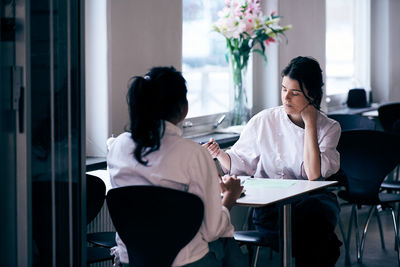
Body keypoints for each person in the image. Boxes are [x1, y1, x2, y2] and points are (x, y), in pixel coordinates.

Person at [204, 56, 342, 267]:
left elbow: (314, 175)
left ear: (312, 95)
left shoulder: (329, 128)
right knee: (320, 242)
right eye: (284, 89)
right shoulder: (264, 120)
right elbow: (242, 164)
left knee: (315, 220)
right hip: (271, 207)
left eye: (295, 93)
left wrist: (311, 124)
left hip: (311, 205)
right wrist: (220, 153)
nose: (286, 98)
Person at [107, 66, 248, 267]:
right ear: (184, 108)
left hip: (132, 260)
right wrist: (229, 199)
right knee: (227, 243)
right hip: (185, 261)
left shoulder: (117, 146)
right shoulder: (193, 153)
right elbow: (212, 230)